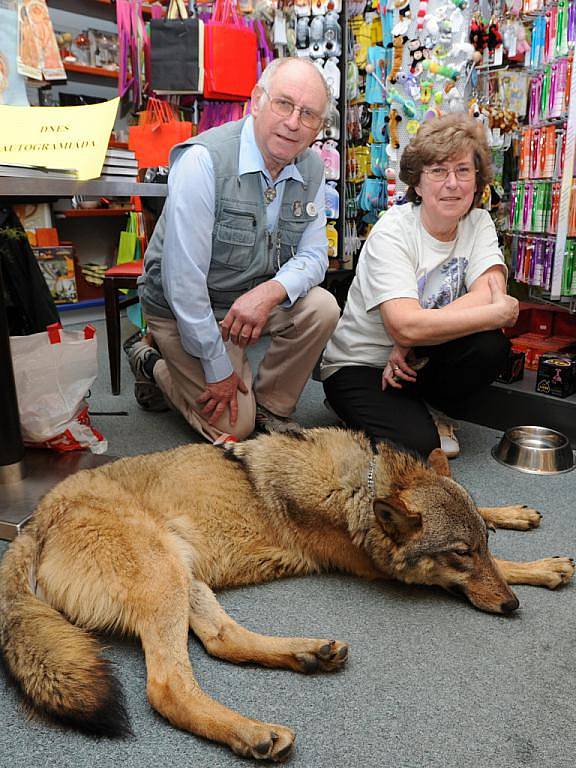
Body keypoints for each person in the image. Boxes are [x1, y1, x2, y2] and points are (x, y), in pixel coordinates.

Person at [130, 57, 340, 442]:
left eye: (308, 114)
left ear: (317, 128)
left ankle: (272, 408)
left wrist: (270, 291)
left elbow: (315, 256)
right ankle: (153, 364)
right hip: (184, 310)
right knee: (233, 428)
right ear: (257, 101)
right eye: (284, 104)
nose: (294, 122)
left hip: (248, 302)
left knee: (322, 308)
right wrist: (217, 370)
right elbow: (183, 286)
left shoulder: (311, 169)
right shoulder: (203, 162)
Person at [321, 113, 519, 459]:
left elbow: (491, 294)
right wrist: (410, 333)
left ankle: (426, 406)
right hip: (360, 364)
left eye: (462, 171)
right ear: (417, 182)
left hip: (419, 357)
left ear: (477, 180)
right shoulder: (392, 232)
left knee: (490, 347)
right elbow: (407, 324)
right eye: (438, 171)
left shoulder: (479, 222)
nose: (452, 183)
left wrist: (414, 341)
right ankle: (352, 406)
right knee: (420, 449)